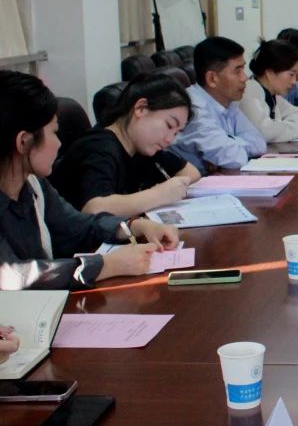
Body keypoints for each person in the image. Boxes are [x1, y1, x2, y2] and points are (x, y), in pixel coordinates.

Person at [0, 71, 177, 291]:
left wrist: (132, 226)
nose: (59, 143)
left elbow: (78, 226)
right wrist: (107, 265)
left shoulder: (34, 185)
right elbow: (12, 274)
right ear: (24, 142)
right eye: (54, 132)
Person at [51, 73, 200, 218]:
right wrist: (159, 195)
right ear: (141, 108)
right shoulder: (99, 148)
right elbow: (94, 209)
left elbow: (191, 172)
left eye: (176, 133)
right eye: (169, 125)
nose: (170, 139)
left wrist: (169, 189)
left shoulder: (142, 148)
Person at [170, 36, 267, 174]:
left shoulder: (227, 102)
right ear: (212, 78)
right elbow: (235, 158)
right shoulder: (193, 109)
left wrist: (230, 142)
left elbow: (259, 144)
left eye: (243, 69)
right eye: (237, 71)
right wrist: (235, 145)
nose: (245, 78)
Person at [239, 40, 298, 143]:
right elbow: (265, 132)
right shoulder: (250, 91)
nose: (294, 81)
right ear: (270, 73)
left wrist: (286, 128)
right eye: (291, 74)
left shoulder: (272, 95)